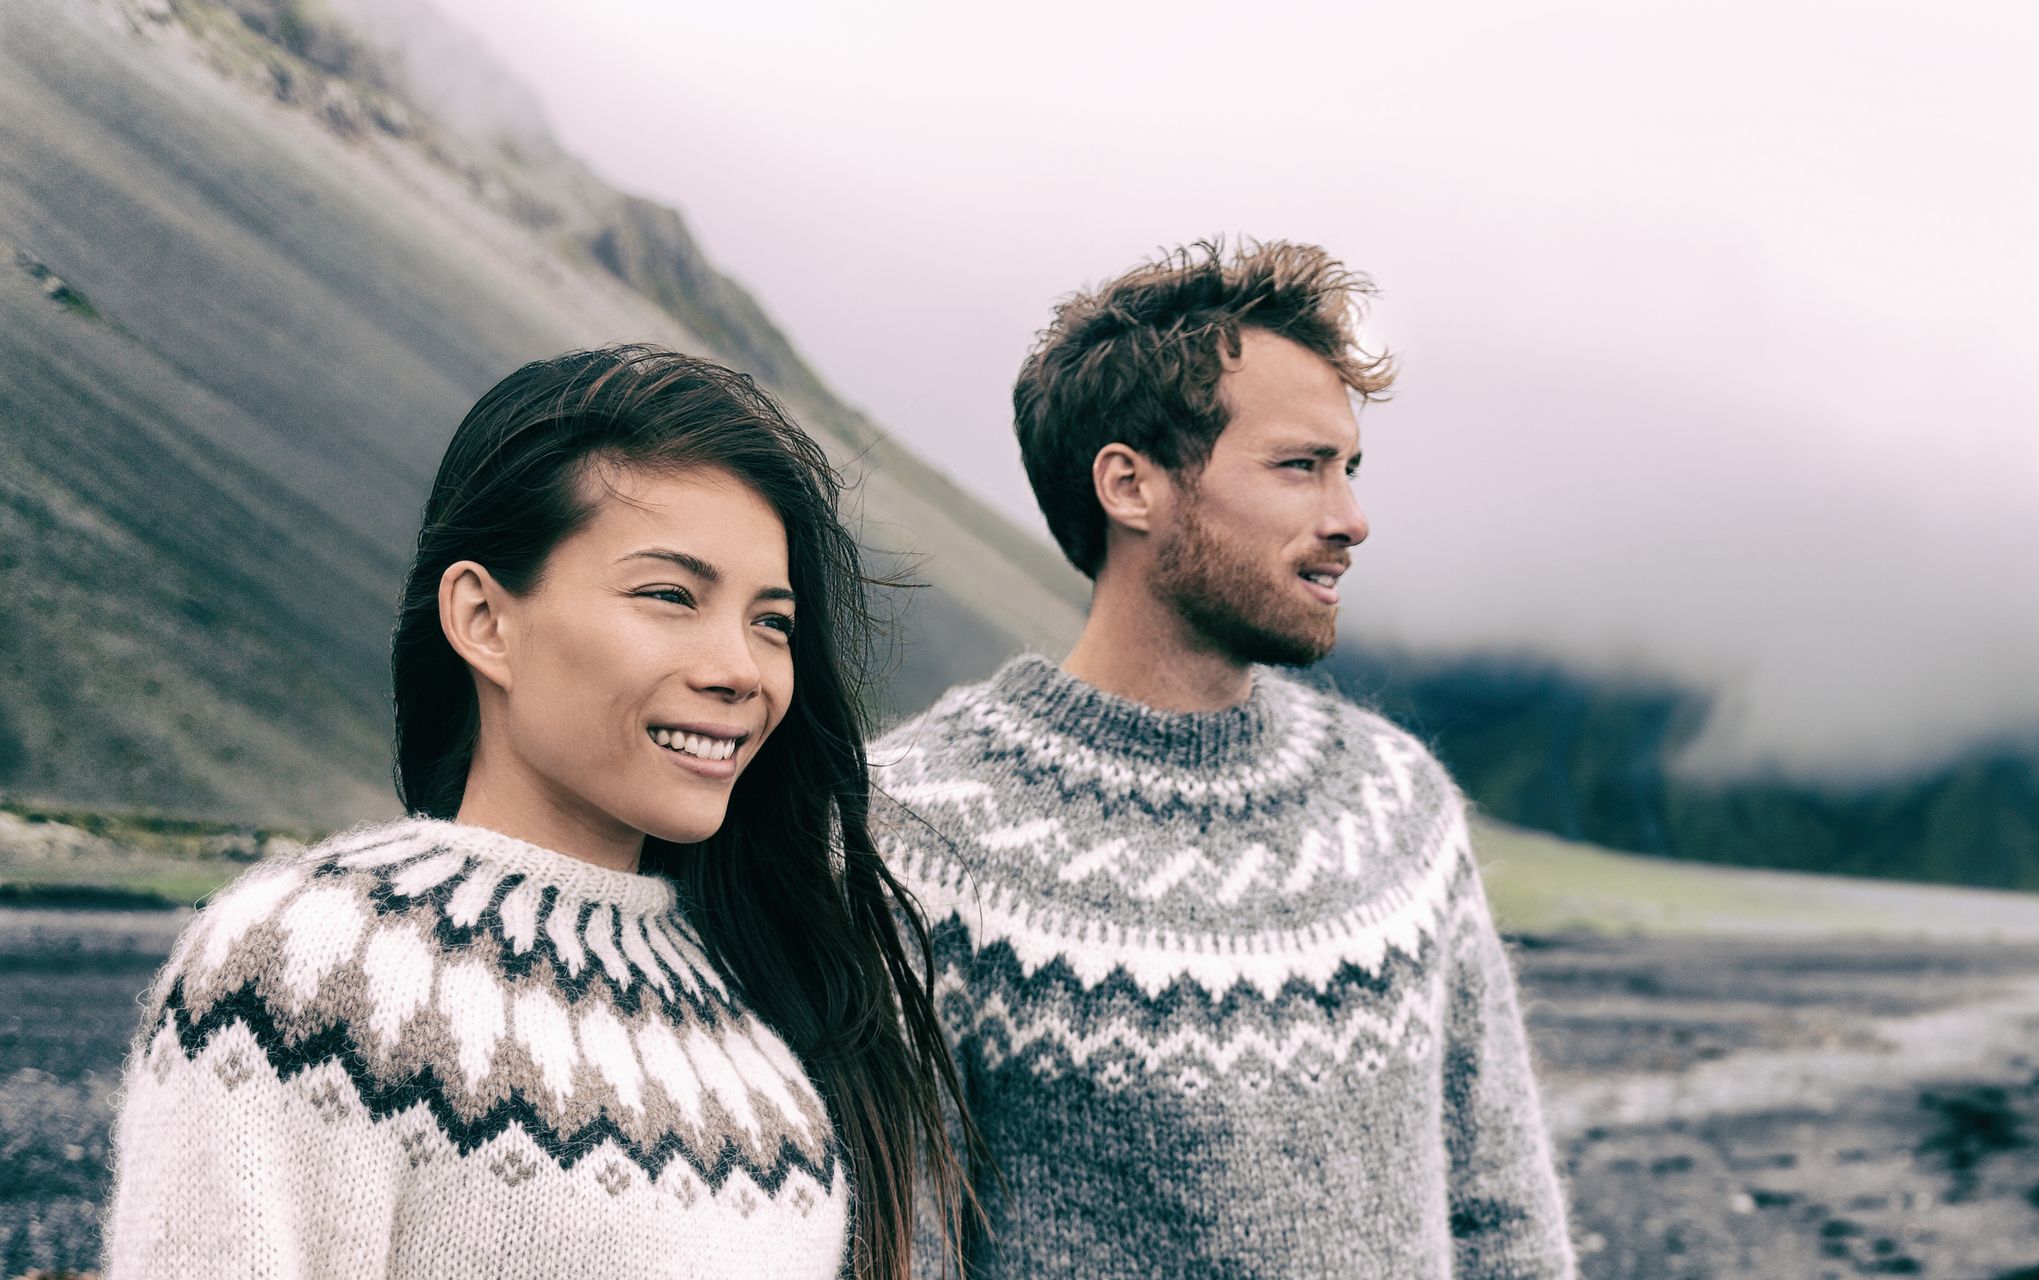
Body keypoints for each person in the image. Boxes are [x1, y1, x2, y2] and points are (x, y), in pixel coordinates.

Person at [103, 347, 967, 1278]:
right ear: (483, 619)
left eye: (772, 622)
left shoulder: (761, 1020)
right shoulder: (304, 977)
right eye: (670, 596)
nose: (741, 671)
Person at [871, 239, 1574, 1277]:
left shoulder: (1399, 807)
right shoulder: (919, 832)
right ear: (1131, 484)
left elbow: (1504, 1212)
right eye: (1301, 466)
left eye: (1350, 469)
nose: (1351, 519)